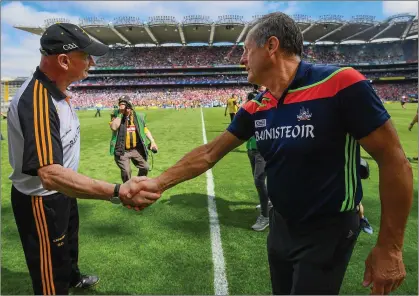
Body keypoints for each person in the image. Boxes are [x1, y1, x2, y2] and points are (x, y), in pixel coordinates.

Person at [128, 12, 413, 295]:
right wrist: (158, 182)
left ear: (271, 46)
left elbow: (394, 160)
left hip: (328, 229)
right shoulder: (257, 105)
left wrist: (390, 246)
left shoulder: (341, 83)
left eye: (246, 50)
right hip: (281, 226)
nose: (241, 60)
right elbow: (209, 152)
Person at [6, 23, 158, 295]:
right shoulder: (37, 100)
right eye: (86, 56)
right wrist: (117, 191)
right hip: (42, 201)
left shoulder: (57, 91)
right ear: (64, 60)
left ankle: (72, 276)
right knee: (50, 273)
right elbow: (50, 174)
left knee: (68, 244)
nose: (92, 62)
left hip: (62, 192)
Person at [109, 95, 158, 182]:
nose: (125, 109)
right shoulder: (116, 114)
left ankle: (137, 184)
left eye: (126, 105)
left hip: (135, 149)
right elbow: (113, 127)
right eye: (122, 105)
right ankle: (126, 189)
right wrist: (120, 113)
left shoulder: (138, 116)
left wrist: (152, 141)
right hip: (121, 150)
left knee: (145, 167)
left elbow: (145, 129)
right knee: (127, 171)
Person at [245, 85, 271, 231]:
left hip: (262, 150)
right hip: (251, 149)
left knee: (259, 180)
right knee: (259, 182)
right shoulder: (249, 114)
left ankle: (265, 216)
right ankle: (267, 203)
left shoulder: (267, 110)